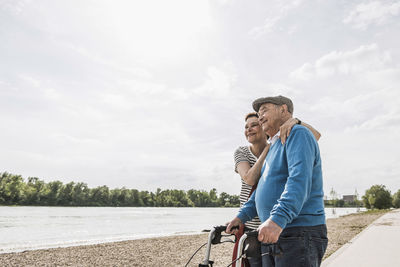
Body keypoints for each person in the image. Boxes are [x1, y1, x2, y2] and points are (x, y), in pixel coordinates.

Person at [228, 96, 327, 267]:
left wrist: (277, 219)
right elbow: (260, 190)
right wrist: (241, 217)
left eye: (264, 110)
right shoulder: (273, 146)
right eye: (258, 114)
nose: (260, 117)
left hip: (296, 231)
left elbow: (298, 181)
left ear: (283, 109)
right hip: (274, 231)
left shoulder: (298, 133)